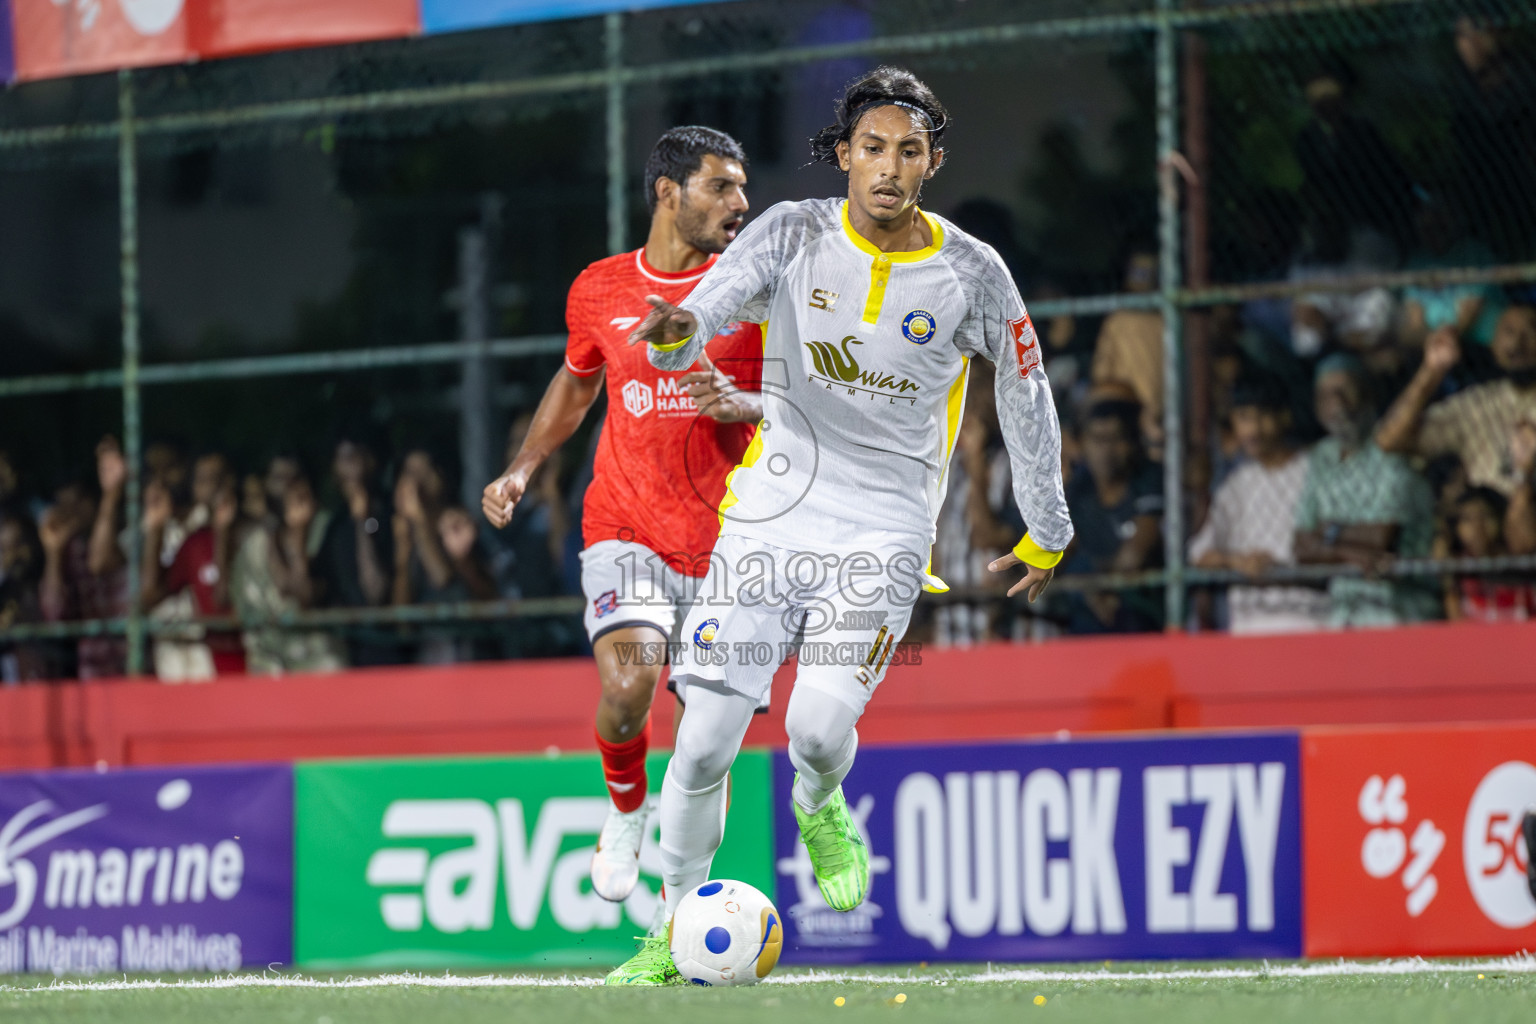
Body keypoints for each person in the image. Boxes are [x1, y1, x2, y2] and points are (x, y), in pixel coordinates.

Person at [613, 66, 1071, 984]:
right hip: (772, 512)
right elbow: (710, 302)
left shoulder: (972, 271)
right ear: (845, 156)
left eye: (908, 150)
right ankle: (668, 934)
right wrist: (678, 331)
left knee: (817, 730)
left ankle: (820, 799)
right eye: (872, 149)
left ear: (932, 160)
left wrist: (1047, 525)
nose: (889, 168)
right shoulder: (792, 232)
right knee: (703, 738)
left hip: (885, 526)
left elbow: (1026, 389)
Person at [481, 126, 763, 912]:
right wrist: (521, 469)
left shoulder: (754, 290)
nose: (740, 204)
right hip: (626, 525)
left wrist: (747, 405)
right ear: (669, 192)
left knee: (707, 739)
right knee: (631, 681)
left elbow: (802, 405)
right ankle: (625, 807)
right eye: (722, 187)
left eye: (743, 188)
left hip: (732, 545)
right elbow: (576, 387)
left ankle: (685, 905)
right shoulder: (599, 289)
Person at [1294, 355, 1437, 627]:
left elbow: (1380, 537)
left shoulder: (1392, 449)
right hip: (1343, 614)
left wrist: (1327, 534)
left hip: (1400, 609)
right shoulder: (1322, 456)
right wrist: (1349, 553)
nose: (1336, 403)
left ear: (1369, 396)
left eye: (1345, 391)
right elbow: (1300, 546)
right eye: (1325, 395)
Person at [1189, 373, 1327, 635]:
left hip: (1310, 620)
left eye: (1262, 416)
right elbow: (1200, 555)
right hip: (1249, 627)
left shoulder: (1315, 471)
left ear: (1284, 417)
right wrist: (1237, 562)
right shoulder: (1236, 485)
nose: (1252, 430)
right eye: (1243, 418)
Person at [1375, 305, 1536, 497]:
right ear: (1493, 342)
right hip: (1481, 516)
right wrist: (1432, 370)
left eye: (1532, 331)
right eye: (1508, 331)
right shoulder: (1475, 403)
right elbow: (1389, 441)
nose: (1517, 342)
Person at [1059, 394, 1164, 634]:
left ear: (1132, 443)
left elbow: (1135, 555)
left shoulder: (1149, 478)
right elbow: (1060, 552)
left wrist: (1096, 582)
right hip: (1089, 618)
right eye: (1098, 439)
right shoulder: (1079, 488)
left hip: (1143, 616)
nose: (1107, 450)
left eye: (1116, 439)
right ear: (1083, 444)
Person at [1438, 485, 1531, 622]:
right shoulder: (1458, 572)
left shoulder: (1522, 562)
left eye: (1486, 516)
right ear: (1457, 527)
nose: (1477, 527)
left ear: (1501, 519)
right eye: (1467, 519)